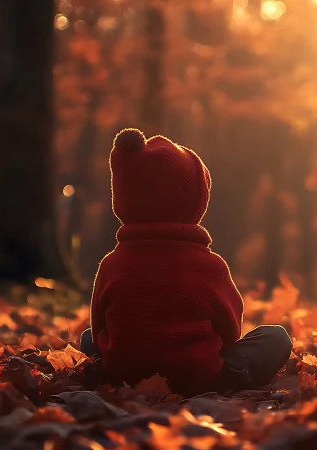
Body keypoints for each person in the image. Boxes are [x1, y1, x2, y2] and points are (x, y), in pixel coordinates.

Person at [80, 128, 292, 396]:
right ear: (193, 199)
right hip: (199, 379)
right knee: (276, 337)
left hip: (124, 376)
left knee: (88, 337)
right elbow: (230, 332)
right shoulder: (209, 265)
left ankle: (103, 372)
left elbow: (100, 326)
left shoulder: (111, 263)